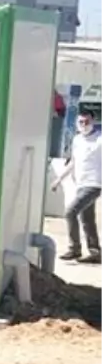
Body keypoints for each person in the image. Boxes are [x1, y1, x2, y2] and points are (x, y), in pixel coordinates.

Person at [53, 106, 102, 264]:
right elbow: (73, 162)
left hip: (94, 183)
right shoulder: (77, 140)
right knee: (87, 218)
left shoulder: (100, 139)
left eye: (87, 121)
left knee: (70, 212)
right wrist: (59, 179)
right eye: (81, 121)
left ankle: (74, 249)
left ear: (93, 121)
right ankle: (95, 252)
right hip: (81, 184)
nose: (84, 124)